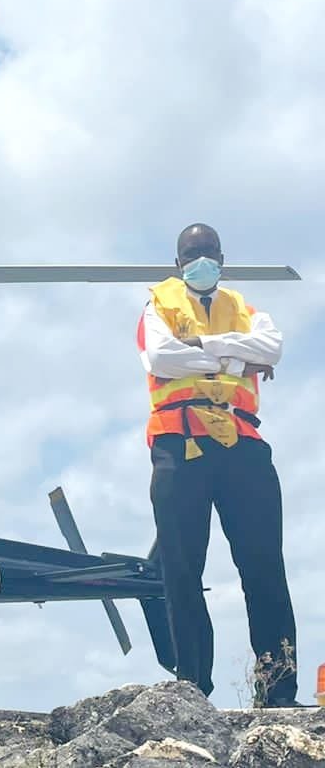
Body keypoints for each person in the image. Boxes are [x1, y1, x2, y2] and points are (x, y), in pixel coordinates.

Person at [136, 223, 300, 707]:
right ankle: (192, 688)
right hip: (178, 444)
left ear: (222, 259)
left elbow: (271, 349)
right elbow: (161, 357)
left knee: (264, 567)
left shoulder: (248, 309)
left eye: (208, 252)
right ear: (177, 264)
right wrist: (236, 360)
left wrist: (201, 350)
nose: (200, 261)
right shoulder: (157, 307)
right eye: (192, 254)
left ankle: (277, 691)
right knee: (181, 570)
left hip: (243, 444)